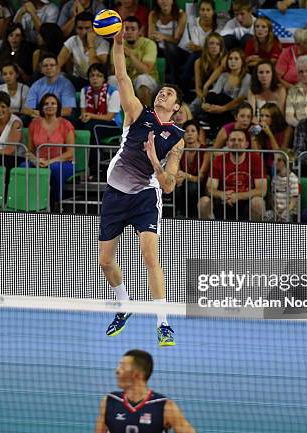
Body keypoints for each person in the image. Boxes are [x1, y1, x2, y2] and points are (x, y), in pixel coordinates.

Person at [99, 27, 185, 347]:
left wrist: (154, 159)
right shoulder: (137, 114)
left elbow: (169, 186)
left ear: (176, 107)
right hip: (115, 193)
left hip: (146, 196)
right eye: (161, 91)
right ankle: (124, 305)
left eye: (169, 94)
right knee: (105, 261)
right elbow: (122, 77)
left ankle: (163, 324)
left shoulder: (176, 139)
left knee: (151, 258)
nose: (162, 93)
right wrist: (118, 43)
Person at [94, 349, 196, 433]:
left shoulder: (165, 407)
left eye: (123, 367)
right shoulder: (110, 401)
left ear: (138, 375)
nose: (117, 371)